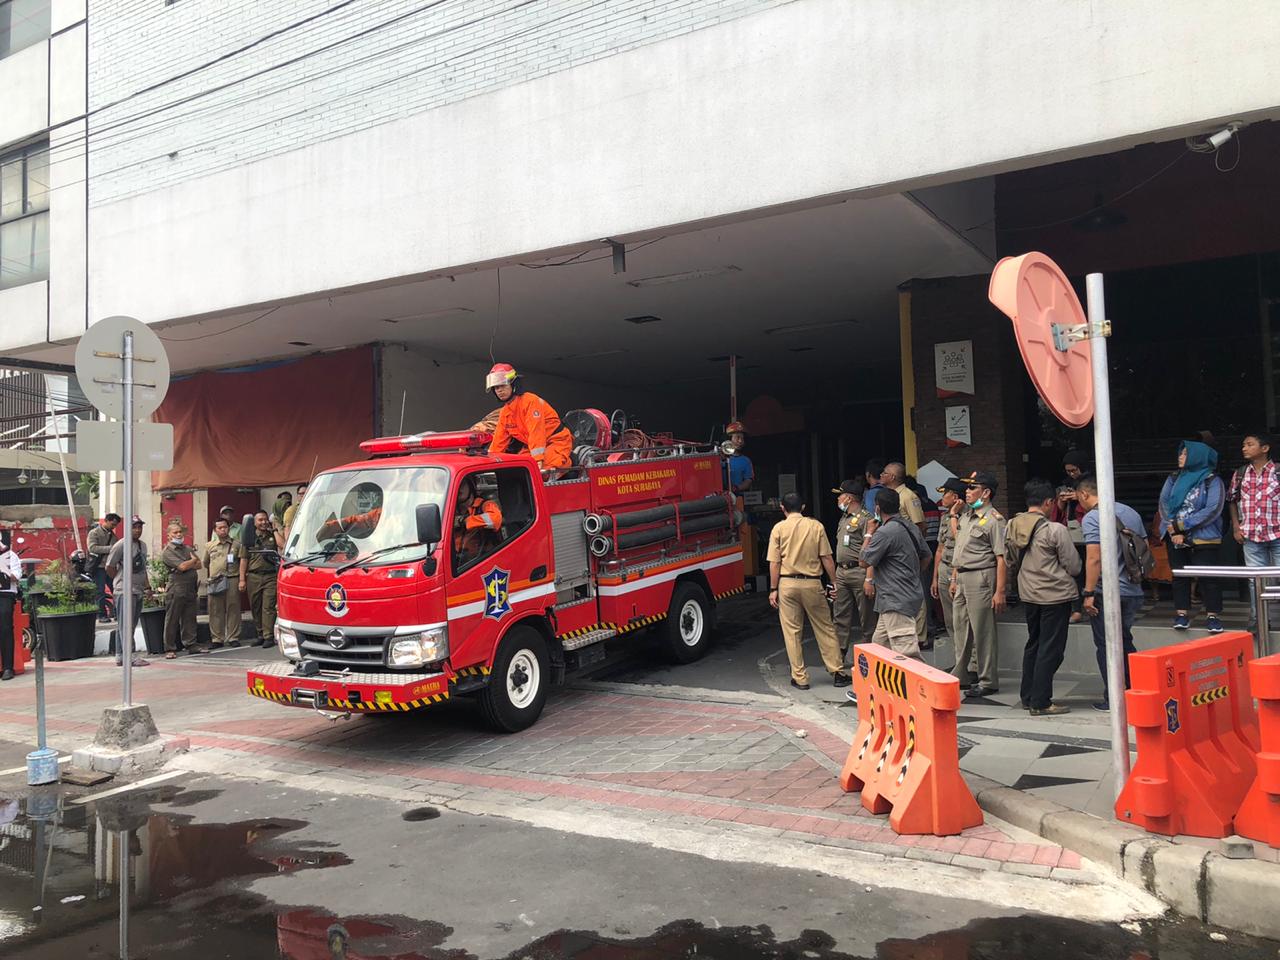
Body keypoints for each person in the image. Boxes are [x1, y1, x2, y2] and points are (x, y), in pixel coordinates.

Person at [1006, 480, 1080, 716]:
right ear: (1048, 502)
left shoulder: (1012, 525)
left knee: (1034, 644)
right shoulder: (1054, 529)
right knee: (1051, 649)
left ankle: (1028, 696)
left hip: (1028, 594)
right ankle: (1041, 701)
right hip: (1055, 595)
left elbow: (1009, 560)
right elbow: (1074, 565)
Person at [767, 492, 851, 690]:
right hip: (812, 583)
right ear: (803, 507)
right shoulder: (816, 526)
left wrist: (773, 589)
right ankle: (837, 672)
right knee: (825, 627)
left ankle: (800, 678)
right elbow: (827, 557)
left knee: (792, 632)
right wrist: (834, 582)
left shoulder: (778, 528)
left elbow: (774, 563)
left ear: (782, 507)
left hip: (787, 584)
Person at [1076, 475, 1145, 711]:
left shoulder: (1093, 517)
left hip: (1107, 591)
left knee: (1107, 645)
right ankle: (1136, 689)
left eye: (1079, 498)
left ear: (1085, 494)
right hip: (1133, 589)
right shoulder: (1131, 512)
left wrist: (1088, 592)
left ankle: (1114, 697)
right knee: (1124, 639)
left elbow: (1094, 558)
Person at [1156, 440, 1226, 632]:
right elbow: (1164, 504)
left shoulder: (1212, 480)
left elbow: (1213, 509)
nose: (1180, 457)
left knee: (1208, 578)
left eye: (1185, 454)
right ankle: (1181, 615)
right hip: (1174, 536)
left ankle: (1213, 616)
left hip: (1204, 537)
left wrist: (1181, 527)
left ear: (1197, 457)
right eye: (1180, 453)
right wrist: (1172, 529)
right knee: (1180, 576)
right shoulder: (1173, 478)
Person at [950, 471, 1007, 699]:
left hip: (981, 577)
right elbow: (959, 548)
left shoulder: (994, 520)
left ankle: (987, 679)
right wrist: (954, 577)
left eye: (973, 487)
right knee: (960, 627)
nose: (967, 491)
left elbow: (1001, 557)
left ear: (986, 492)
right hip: (963, 577)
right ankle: (963, 673)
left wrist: (1000, 591)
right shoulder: (966, 516)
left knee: (982, 630)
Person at [860, 488, 932, 659]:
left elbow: (863, 561)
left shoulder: (885, 532)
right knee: (879, 646)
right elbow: (927, 556)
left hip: (895, 599)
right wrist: (912, 575)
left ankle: (915, 685)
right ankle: (880, 685)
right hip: (900, 597)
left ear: (877, 508)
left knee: (906, 653)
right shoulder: (910, 527)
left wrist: (869, 533)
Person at [1228, 431, 1280, 627]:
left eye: (1249, 444)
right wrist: (1235, 526)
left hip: (1277, 533)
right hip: (1250, 534)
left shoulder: (1278, 472)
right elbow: (1231, 500)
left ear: (1265, 448)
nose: (1244, 448)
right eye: (1243, 444)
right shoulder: (1240, 474)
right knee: (1254, 581)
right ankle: (1259, 620)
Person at [485, 363, 572, 470]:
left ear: (514, 384)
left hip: (556, 441)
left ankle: (567, 462)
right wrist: (489, 463)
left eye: (503, 385)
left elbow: (536, 431)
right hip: (532, 447)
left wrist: (538, 460)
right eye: (496, 387)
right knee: (517, 468)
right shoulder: (505, 412)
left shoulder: (530, 401)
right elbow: (498, 443)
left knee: (540, 470)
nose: (499, 390)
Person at [880, 463, 928, 649]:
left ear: (892, 477)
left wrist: (916, 549)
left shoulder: (908, 496)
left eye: (884, 473)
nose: (881, 476)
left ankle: (920, 634)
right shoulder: (889, 497)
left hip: (908, 551)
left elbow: (920, 524)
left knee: (915, 590)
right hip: (894, 552)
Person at [831, 479, 876, 658]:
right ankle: (838, 655)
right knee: (840, 614)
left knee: (867, 617)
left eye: (840, 495)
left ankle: (871, 654)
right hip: (842, 571)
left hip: (859, 571)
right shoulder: (844, 518)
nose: (838, 499)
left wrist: (869, 579)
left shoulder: (866, 519)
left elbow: (872, 550)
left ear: (849, 498)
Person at [105, 516, 151, 668]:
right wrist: (121, 580)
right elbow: (109, 567)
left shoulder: (142, 546)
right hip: (124, 590)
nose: (137, 530)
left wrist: (148, 587)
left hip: (137, 589)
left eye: (139, 527)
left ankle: (120, 655)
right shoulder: (121, 545)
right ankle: (129, 655)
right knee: (126, 625)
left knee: (129, 624)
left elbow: (143, 568)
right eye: (134, 527)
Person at [931, 477, 968, 652]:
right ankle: (958, 658)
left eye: (945, 493)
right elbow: (940, 548)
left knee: (963, 619)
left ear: (955, 497)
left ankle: (971, 663)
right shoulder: (945, 517)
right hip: (944, 568)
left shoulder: (966, 517)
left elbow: (961, 546)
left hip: (959, 570)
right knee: (950, 619)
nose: (942, 498)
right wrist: (934, 577)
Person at [240, 510, 284, 649]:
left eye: (265, 519)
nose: (263, 522)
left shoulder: (272, 535)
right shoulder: (249, 538)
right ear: (254, 523)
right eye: (260, 520)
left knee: (268, 607)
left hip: (270, 575)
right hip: (253, 576)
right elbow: (244, 559)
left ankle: (268, 636)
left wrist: (275, 528)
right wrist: (242, 579)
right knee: (256, 606)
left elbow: (282, 545)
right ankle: (260, 634)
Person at [161, 521, 204, 659]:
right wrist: (191, 562)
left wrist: (190, 563)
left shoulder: (187, 548)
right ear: (168, 535)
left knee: (189, 617)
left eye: (180, 532)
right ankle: (170, 647)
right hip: (176, 588)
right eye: (175, 532)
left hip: (190, 587)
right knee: (172, 618)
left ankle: (191, 644)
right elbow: (183, 567)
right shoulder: (167, 551)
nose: (179, 534)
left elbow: (200, 565)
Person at [205, 516, 241, 648]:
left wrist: (241, 579)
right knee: (215, 609)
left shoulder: (236, 544)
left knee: (233, 608)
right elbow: (205, 563)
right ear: (215, 530)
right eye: (219, 528)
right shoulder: (209, 546)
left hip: (232, 578)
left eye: (225, 527)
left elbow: (242, 561)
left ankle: (233, 637)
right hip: (215, 580)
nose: (223, 530)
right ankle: (217, 638)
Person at [453, 476, 503, 565]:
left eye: (462, 484)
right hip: (457, 562)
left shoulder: (485, 505)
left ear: (471, 485)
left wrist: (464, 522)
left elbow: (495, 519)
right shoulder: (451, 510)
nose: (458, 488)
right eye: (456, 484)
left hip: (481, 560)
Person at [85, 513, 120, 621]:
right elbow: (92, 548)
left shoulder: (113, 536)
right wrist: (110, 548)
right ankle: (101, 615)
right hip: (98, 566)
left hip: (110, 566)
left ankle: (116, 612)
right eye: (112, 524)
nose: (113, 527)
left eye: (115, 525)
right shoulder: (94, 533)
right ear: (106, 521)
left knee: (116, 589)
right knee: (100, 591)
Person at [0, 531, 20, 681]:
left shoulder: (11, 556)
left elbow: (16, 576)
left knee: (5, 628)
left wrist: (4, 570)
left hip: (6, 594)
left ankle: (8, 667)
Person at [724, 421, 754, 495]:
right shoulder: (719, 458)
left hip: (737, 498)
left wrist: (737, 488)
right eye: (737, 437)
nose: (740, 441)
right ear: (729, 439)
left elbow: (748, 481)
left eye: (742, 438)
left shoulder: (746, 461)